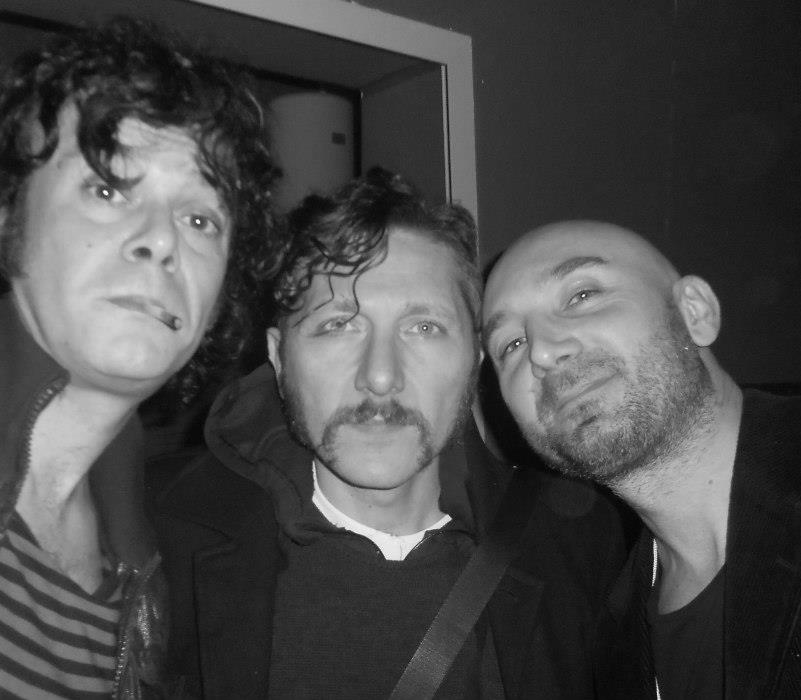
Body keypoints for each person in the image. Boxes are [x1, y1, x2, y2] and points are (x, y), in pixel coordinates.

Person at [0, 16, 281, 699]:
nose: (162, 241)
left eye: (201, 218)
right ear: (2, 221)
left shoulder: (149, 581)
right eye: (108, 188)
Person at [151, 168, 628, 699]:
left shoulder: (580, 544)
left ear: (473, 361)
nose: (380, 376)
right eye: (338, 325)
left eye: (424, 328)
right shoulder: (155, 540)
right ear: (279, 360)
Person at [482, 220, 801, 699]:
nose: (543, 352)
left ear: (694, 312)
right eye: (510, 345)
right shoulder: (609, 639)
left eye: (581, 295)